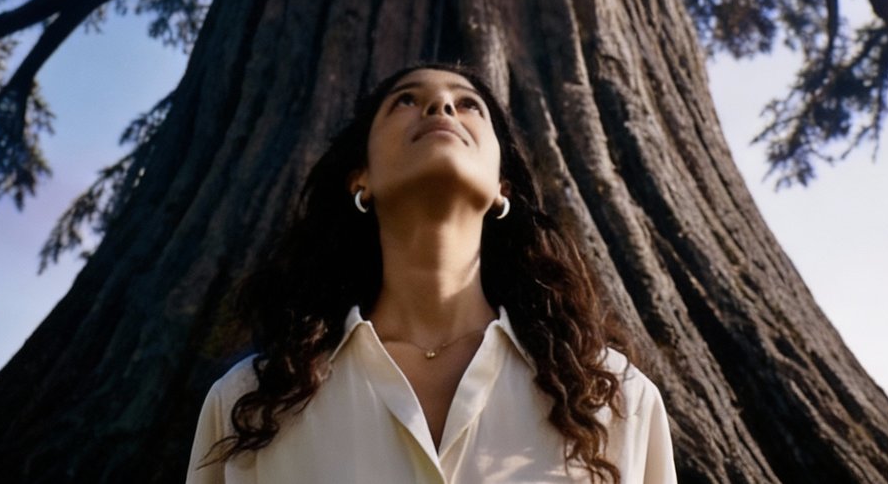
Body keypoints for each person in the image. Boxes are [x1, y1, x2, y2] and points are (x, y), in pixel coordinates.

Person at [186, 61, 676, 483]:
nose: (441, 107)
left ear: (503, 186)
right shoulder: (249, 404)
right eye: (405, 101)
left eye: (469, 105)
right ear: (362, 178)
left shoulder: (615, 398)